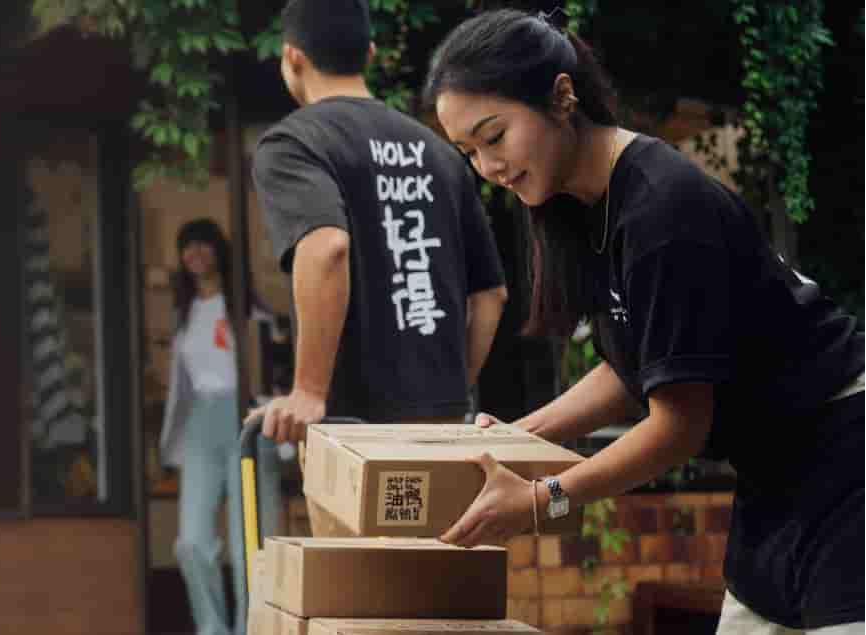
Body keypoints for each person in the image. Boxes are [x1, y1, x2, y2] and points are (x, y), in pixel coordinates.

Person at [423, 9, 864, 634]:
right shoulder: (577, 205)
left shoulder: (660, 208)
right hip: (773, 476)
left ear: (561, 96)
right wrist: (522, 437)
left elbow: (679, 426)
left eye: (494, 137)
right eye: (468, 152)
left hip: (846, 459)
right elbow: (635, 364)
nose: (487, 167)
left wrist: (542, 499)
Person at [249, 0, 509, 443]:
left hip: (350, 434)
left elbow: (327, 246)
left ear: (293, 57)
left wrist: (309, 391)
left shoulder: (294, 143)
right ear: (369, 54)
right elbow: (491, 295)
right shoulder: (440, 152)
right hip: (441, 428)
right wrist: (449, 389)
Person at [159, 219, 283, 635]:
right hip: (201, 422)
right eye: (187, 246)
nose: (195, 253)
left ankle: (251, 628)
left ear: (219, 252)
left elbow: (273, 367)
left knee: (250, 539)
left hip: (247, 418)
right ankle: (212, 628)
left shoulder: (248, 306)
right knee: (192, 541)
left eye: (203, 244)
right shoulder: (183, 311)